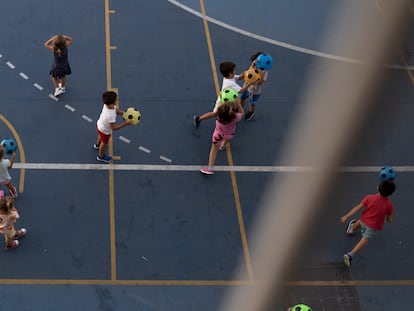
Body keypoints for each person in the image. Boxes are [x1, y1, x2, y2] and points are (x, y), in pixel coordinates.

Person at [341, 180, 396, 267]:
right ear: (391, 193)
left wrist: (347, 216)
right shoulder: (389, 205)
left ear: (378, 187)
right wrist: (389, 218)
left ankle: (351, 230)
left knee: (358, 222)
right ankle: (350, 255)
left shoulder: (369, 197)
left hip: (364, 219)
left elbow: (358, 207)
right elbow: (389, 220)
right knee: (365, 239)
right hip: (373, 226)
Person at [193, 61, 253, 127]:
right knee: (215, 113)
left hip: (229, 98)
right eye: (234, 70)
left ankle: (231, 117)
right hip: (223, 101)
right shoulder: (230, 83)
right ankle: (199, 119)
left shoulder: (229, 77)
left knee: (231, 109)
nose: (235, 72)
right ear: (230, 74)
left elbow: (240, 77)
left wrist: (247, 72)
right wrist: (249, 83)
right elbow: (241, 90)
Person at [200, 100, 244, 175]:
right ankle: (222, 145)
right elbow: (242, 113)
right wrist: (238, 103)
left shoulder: (218, 114)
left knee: (214, 150)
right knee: (226, 139)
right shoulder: (236, 117)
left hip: (218, 135)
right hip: (229, 135)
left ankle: (210, 168)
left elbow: (216, 111)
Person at [94, 91, 133, 163]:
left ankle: (97, 145)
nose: (117, 100)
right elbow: (114, 128)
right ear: (113, 102)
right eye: (116, 99)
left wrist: (124, 113)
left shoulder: (108, 106)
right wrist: (125, 123)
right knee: (104, 142)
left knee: (100, 135)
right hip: (105, 131)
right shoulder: (110, 115)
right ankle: (100, 156)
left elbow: (116, 111)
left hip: (100, 125)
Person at [240, 51, 269, 121]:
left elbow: (260, 83)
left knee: (252, 103)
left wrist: (261, 74)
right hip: (246, 88)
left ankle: (251, 112)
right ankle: (240, 107)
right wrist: (252, 66)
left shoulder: (265, 72)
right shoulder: (253, 67)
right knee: (242, 98)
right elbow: (248, 73)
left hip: (255, 91)